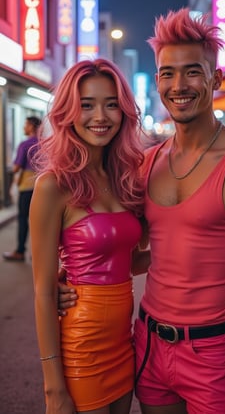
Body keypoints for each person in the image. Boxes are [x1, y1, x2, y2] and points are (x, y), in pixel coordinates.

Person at [59, 8, 225, 414]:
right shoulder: (148, 163)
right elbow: (141, 255)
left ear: (215, 78)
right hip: (147, 344)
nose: (178, 85)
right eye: (167, 73)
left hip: (212, 351)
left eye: (192, 72)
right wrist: (75, 276)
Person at [29, 58, 150, 414]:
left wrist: (183, 246)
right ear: (68, 112)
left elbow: (127, 261)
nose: (101, 116)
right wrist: (53, 387)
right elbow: (43, 291)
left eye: (111, 104)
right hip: (81, 347)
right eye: (87, 105)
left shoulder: (126, 178)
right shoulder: (53, 185)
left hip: (124, 343)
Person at [3, 115, 41, 262]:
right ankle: (39, 253)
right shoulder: (46, 144)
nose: (24, 127)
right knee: (41, 221)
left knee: (23, 218)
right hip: (43, 188)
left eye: (26, 124)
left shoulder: (25, 145)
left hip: (27, 187)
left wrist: (10, 183)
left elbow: (17, 166)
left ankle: (20, 251)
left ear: (31, 126)